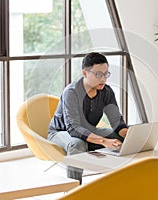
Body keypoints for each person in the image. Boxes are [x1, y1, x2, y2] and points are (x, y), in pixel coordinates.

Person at [47, 52, 128, 184]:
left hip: (89, 130)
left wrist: (127, 134)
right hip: (61, 132)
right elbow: (73, 128)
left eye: (106, 74)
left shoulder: (106, 92)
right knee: (77, 144)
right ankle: (74, 189)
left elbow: (116, 121)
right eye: (98, 74)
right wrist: (103, 141)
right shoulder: (71, 92)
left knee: (120, 137)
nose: (103, 79)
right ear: (85, 73)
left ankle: (121, 180)